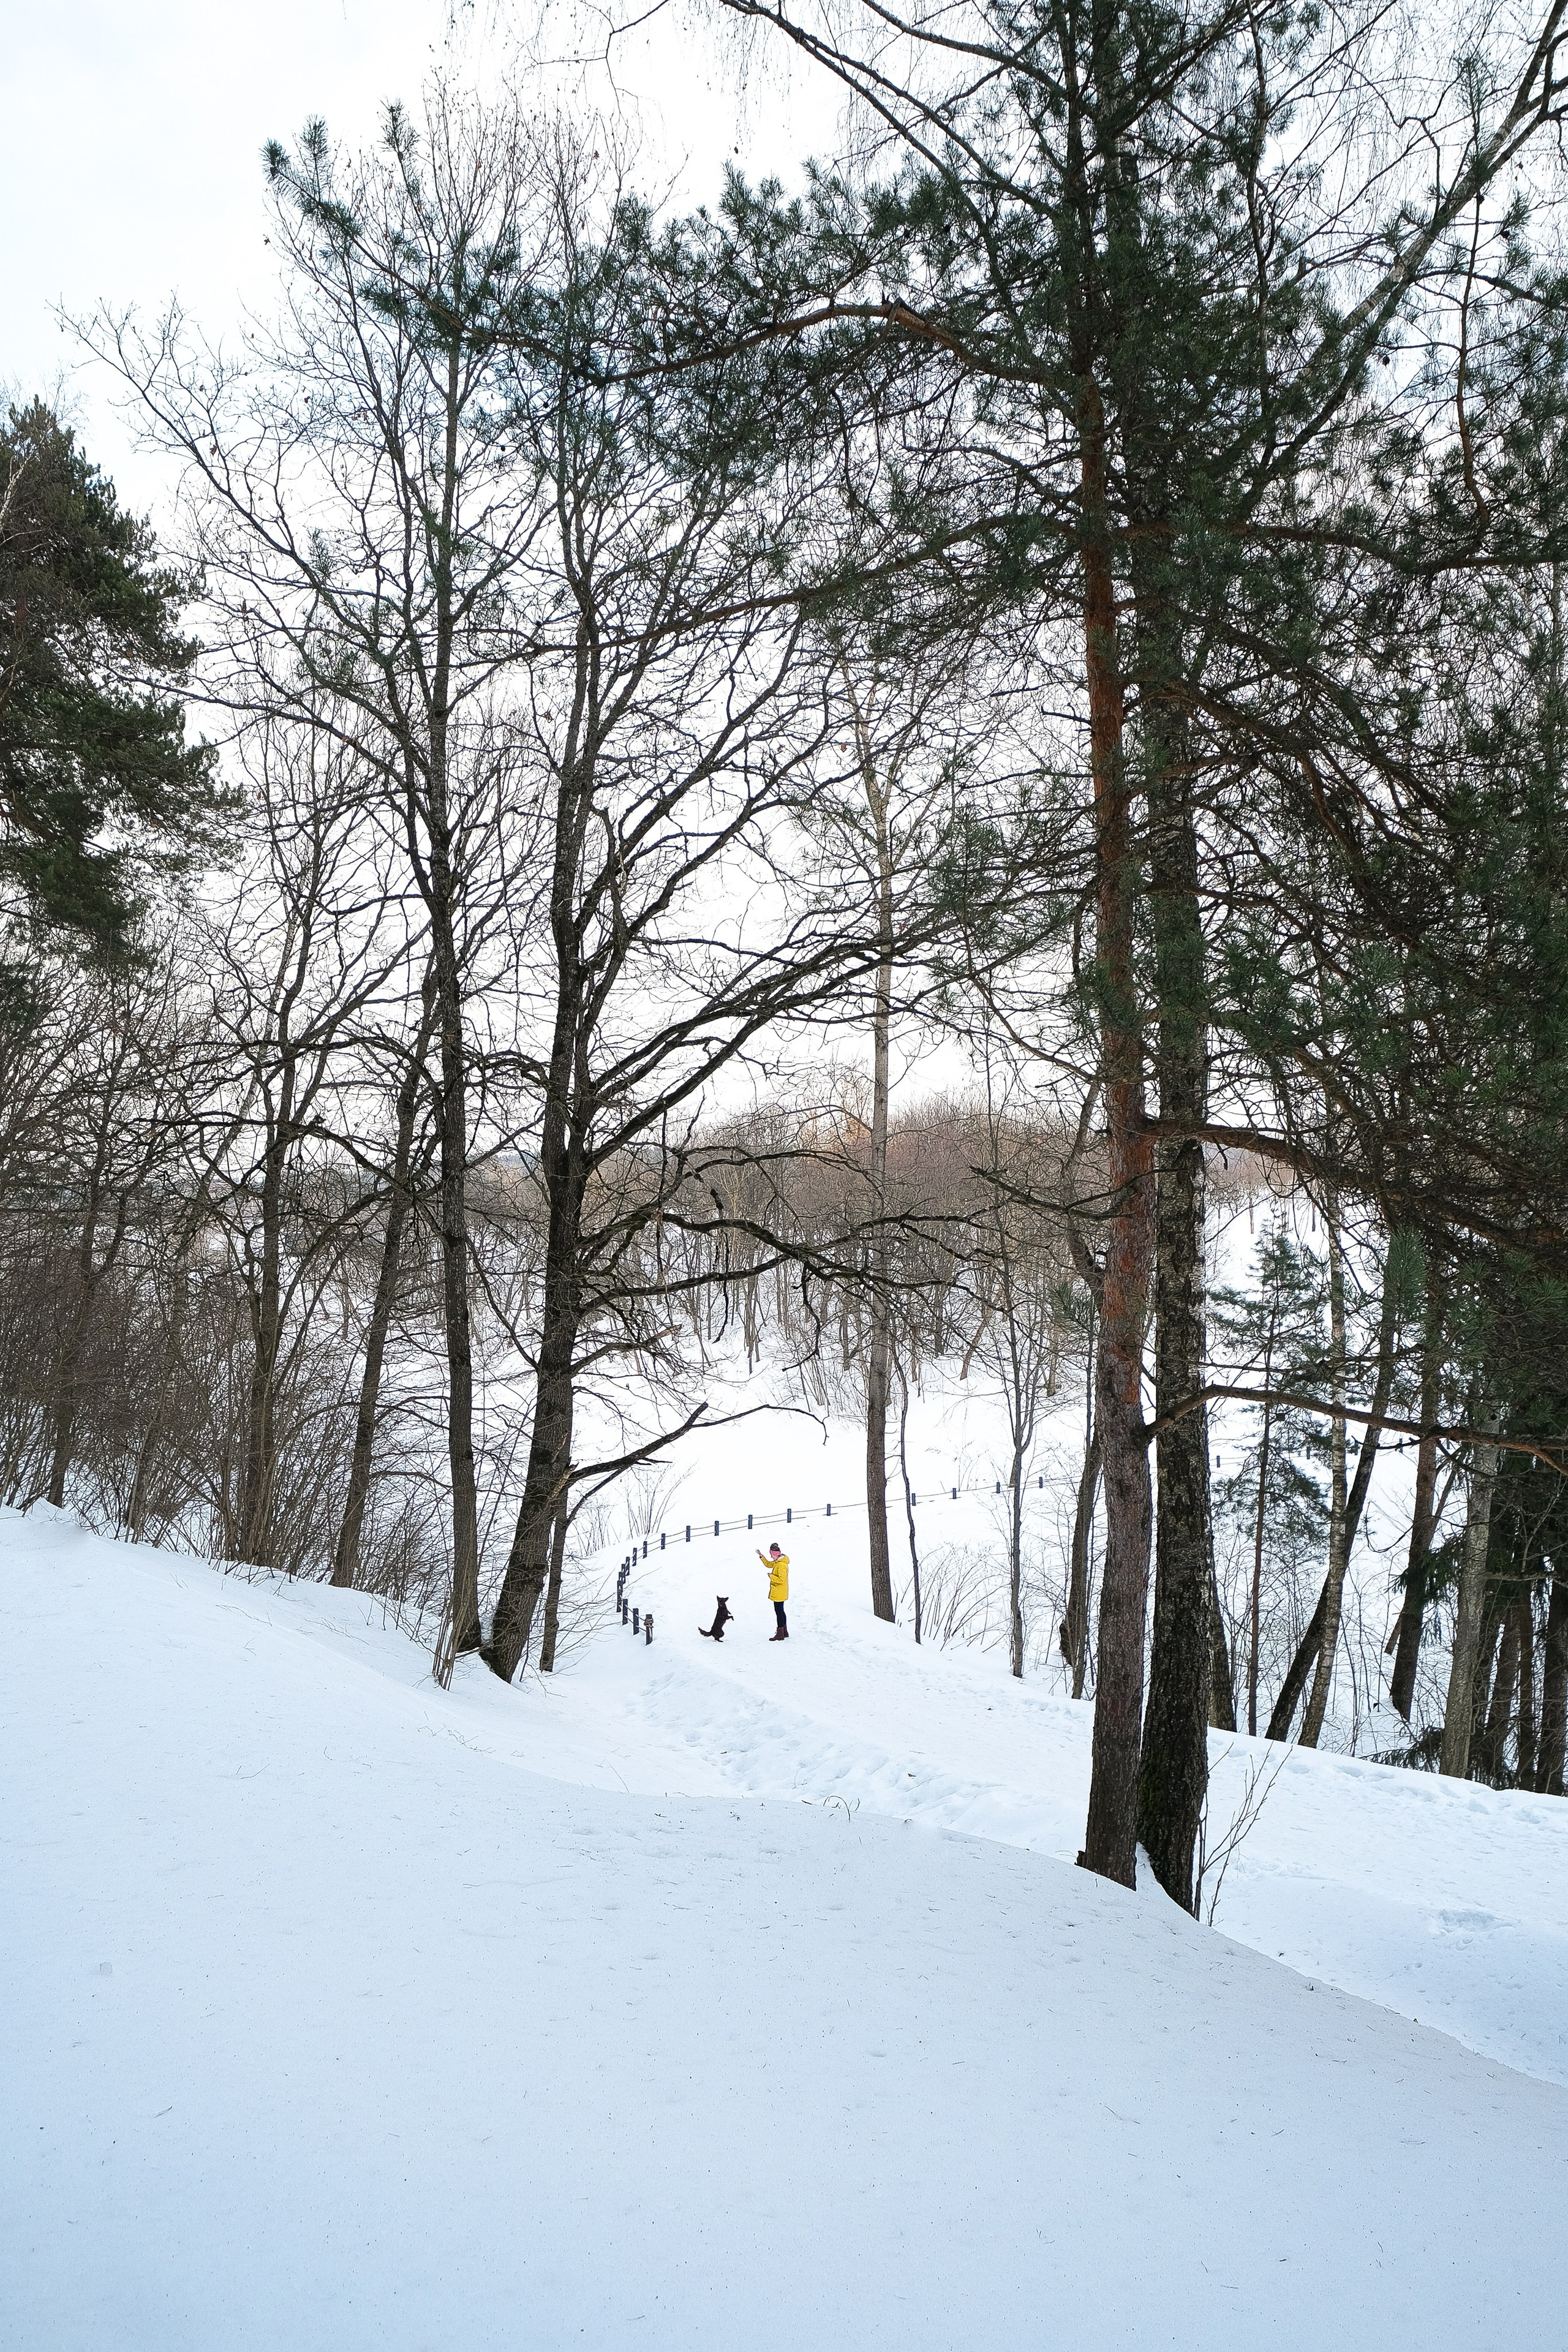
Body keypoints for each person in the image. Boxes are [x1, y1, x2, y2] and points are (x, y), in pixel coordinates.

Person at [758, 1540, 789, 1639]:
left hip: (779, 1592)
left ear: (775, 1555)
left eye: (771, 1555)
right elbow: (768, 1564)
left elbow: (781, 1580)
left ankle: (780, 1634)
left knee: (779, 1612)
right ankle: (784, 1632)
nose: (771, 1557)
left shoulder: (781, 1565)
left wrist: (771, 1576)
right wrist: (762, 1556)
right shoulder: (778, 1562)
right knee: (781, 1611)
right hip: (779, 1592)